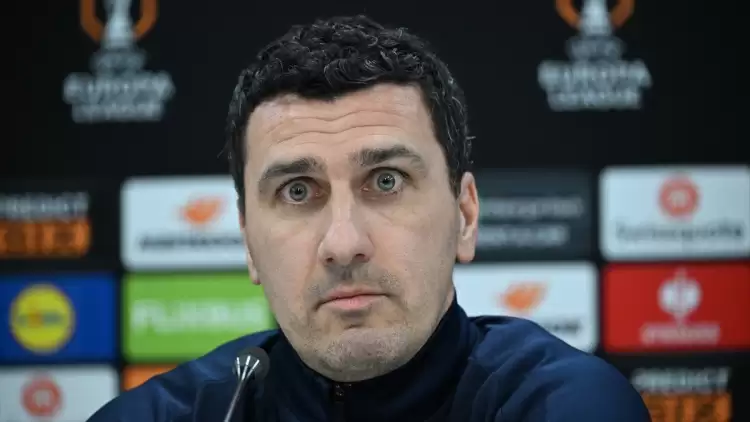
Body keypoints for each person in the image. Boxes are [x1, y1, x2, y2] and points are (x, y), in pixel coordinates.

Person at [88, 15, 650, 422]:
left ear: (465, 215)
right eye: (297, 190)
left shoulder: (562, 406)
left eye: (386, 181)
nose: (343, 243)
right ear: (248, 244)